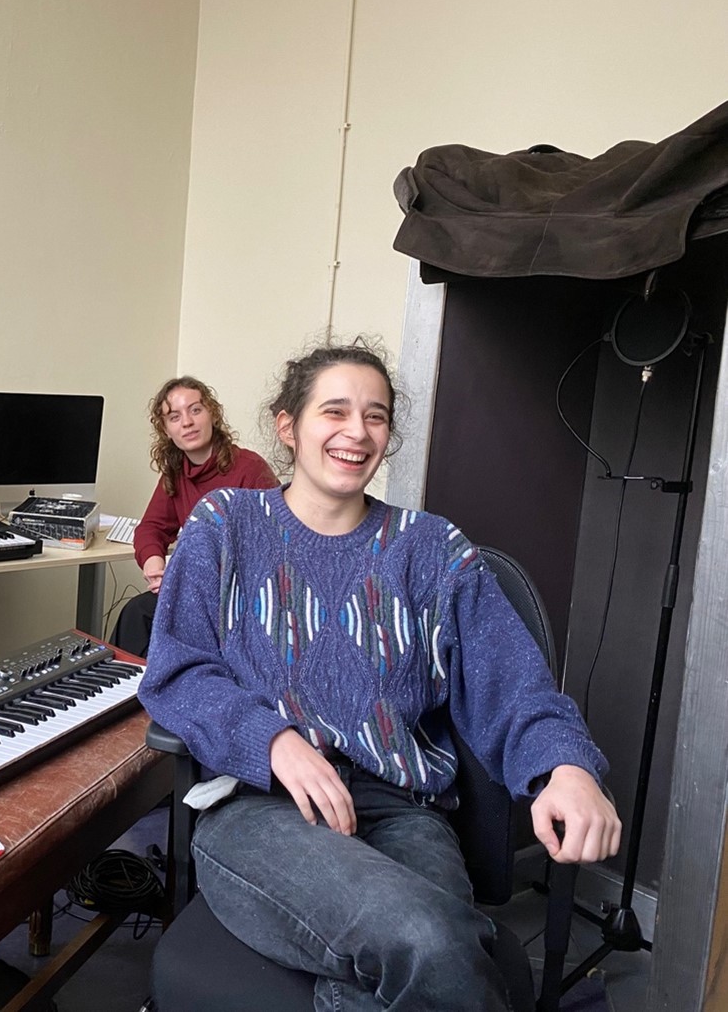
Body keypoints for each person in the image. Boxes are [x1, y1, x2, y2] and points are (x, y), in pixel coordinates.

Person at [137, 341, 620, 1011]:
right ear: (287, 426)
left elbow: (512, 682)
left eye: (375, 416)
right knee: (431, 939)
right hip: (260, 805)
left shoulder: (431, 547)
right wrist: (273, 741)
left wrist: (565, 767)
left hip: (403, 810)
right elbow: (178, 672)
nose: (356, 432)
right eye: (333, 411)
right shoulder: (225, 526)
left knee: (443, 952)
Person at [111, 377, 278, 656]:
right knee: (136, 615)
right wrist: (154, 564)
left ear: (212, 414)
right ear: (166, 430)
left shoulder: (249, 468)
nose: (187, 422)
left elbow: (273, 544)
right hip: (194, 591)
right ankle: (130, 694)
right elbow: (151, 527)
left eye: (195, 410)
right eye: (174, 417)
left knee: (147, 617)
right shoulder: (176, 474)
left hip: (239, 597)